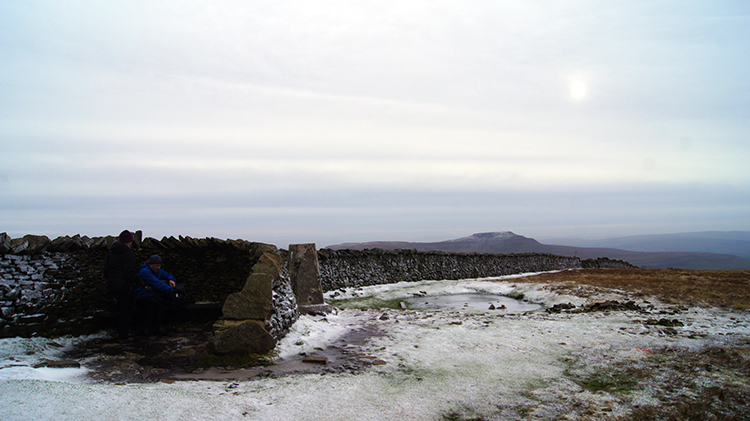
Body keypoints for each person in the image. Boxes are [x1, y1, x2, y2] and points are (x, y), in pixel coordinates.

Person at [104, 230, 146, 342]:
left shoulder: (111, 253)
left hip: (113, 286)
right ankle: (123, 335)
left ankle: (118, 332)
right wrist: (142, 283)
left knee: (120, 308)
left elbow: (106, 272)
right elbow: (130, 273)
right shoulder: (128, 253)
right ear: (130, 241)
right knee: (127, 310)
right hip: (125, 286)